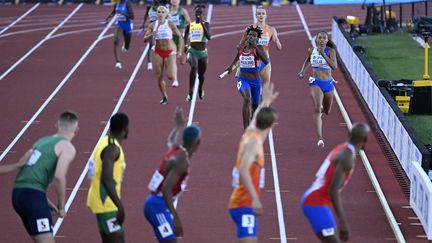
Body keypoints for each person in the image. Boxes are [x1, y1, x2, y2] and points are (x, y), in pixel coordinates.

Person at [12, 111, 79, 243]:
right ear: (77, 130)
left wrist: (45, 201)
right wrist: (61, 206)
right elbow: (59, 177)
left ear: (57, 125)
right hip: (32, 197)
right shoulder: (67, 147)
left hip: (18, 194)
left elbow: (28, 172)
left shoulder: (41, 141)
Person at [301, 123, 370, 243]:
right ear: (365, 140)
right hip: (316, 202)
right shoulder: (347, 158)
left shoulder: (342, 147)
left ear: (348, 135)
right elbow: (333, 190)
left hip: (317, 200)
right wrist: (343, 222)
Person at [228, 83, 279, 243]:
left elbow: (256, 116)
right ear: (271, 126)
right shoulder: (253, 143)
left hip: (243, 203)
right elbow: (243, 169)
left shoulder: (251, 133)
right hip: (244, 203)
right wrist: (255, 198)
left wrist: (266, 101)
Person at [144, 107, 201, 243]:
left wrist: (177, 126)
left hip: (157, 204)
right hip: (157, 206)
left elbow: (170, 141)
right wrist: (176, 217)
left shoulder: (176, 150)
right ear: (197, 143)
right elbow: (166, 189)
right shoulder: (182, 161)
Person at [86, 113, 129, 243]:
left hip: (101, 201)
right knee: (117, 240)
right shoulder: (112, 148)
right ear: (125, 129)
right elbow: (107, 178)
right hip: (107, 204)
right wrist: (119, 206)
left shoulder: (105, 141)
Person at [298, 31, 338, 148]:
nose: (321, 40)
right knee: (317, 108)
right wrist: (303, 71)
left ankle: (321, 110)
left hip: (328, 83)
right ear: (316, 40)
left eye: (323, 38)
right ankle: (320, 138)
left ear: (327, 40)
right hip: (316, 82)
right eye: (319, 38)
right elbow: (308, 60)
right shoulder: (312, 50)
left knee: (326, 111)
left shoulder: (331, 51)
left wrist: (323, 55)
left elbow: (334, 67)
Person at [223, 26, 268, 129]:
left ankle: (252, 121)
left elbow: (265, 60)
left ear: (257, 38)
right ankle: (245, 127)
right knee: (247, 99)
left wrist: (255, 46)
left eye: (254, 36)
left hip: (256, 81)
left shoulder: (259, 48)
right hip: (243, 79)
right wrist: (230, 67)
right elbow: (236, 59)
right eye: (250, 35)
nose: (251, 37)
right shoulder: (242, 48)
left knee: (255, 106)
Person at [144, 5, 184, 105]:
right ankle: (165, 96)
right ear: (156, 14)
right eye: (159, 12)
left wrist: (179, 51)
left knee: (169, 76)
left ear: (166, 14)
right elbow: (144, 39)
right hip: (158, 51)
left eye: (163, 12)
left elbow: (180, 37)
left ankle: (175, 79)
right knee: (159, 76)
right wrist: (152, 34)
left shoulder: (169, 23)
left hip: (169, 50)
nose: (160, 14)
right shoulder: (152, 25)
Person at [238, 6, 282, 87]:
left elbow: (278, 44)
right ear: (256, 15)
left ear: (266, 15)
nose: (261, 15)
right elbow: (240, 44)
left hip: (265, 61)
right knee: (253, 88)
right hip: (252, 61)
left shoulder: (271, 29)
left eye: (263, 14)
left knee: (265, 87)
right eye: (259, 14)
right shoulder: (249, 29)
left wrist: (277, 44)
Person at [183, 4, 211, 101]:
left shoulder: (206, 24)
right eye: (197, 12)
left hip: (203, 53)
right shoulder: (190, 25)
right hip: (192, 50)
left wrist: (202, 25)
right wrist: (184, 45)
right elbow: (185, 34)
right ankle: (190, 91)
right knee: (194, 67)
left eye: (200, 12)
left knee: (201, 75)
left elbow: (209, 37)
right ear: (195, 13)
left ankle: (200, 88)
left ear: (203, 14)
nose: (198, 14)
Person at [103, 0, 134, 70]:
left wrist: (123, 13)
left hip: (127, 24)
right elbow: (113, 13)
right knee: (116, 41)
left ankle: (126, 45)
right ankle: (118, 62)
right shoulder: (116, 4)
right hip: (119, 24)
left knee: (127, 43)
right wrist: (107, 20)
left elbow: (132, 16)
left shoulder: (128, 3)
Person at [169, 0, 191, 87]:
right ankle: (175, 80)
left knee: (182, 62)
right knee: (173, 58)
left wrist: (186, 31)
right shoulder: (167, 11)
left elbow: (189, 23)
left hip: (181, 37)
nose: (174, 1)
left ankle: (188, 54)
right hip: (171, 37)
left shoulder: (182, 11)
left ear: (179, 1)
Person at [138, 0, 162, 71]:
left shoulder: (161, 7)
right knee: (151, 44)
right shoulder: (149, 7)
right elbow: (146, 15)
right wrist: (143, 24)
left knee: (160, 45)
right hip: (151, 27)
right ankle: (149, 63)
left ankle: (161, 62)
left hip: (159, 27)